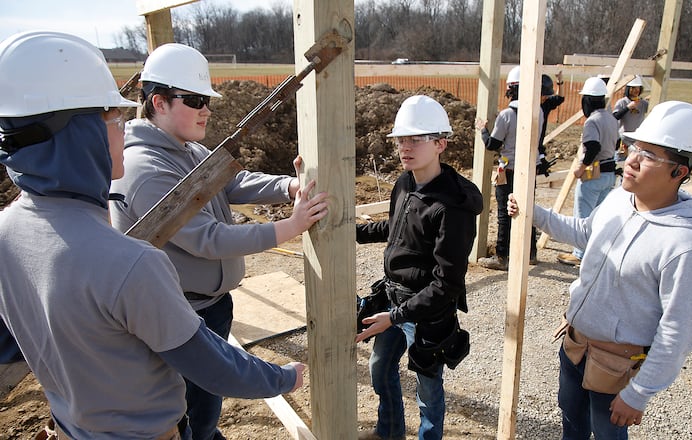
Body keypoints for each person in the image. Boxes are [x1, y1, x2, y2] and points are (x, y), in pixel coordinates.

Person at [0, 30, 311, 439]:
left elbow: (16, 344)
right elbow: (212, 362)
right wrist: (282, 379)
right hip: (149, 409)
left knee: (201, 412)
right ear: (82, 135)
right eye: (111, 118)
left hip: (76, 426)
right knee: (197, 411)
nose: (122, 126)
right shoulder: (131, 255)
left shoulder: (8, 230)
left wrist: (286, 186)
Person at [109, 43, 328, 440]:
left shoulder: (187, 149)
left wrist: (288, 185)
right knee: (188, 410)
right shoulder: (145, 169)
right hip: (178, 317)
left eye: (206, 100)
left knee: (203, 406)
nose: (206, 109)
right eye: (194, 100)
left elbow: (232, 182)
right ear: (158, 102)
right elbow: (208, 240)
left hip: (209, 306)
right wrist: (290, 228)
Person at [507, 101, 692, 439]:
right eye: (633, 147)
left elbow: (678, 331)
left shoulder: (686, 246)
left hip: (615, 367)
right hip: (576, 347)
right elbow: (585, 233)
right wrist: (534, 214)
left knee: (606, 434)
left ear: (680, 171)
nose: (630, 160)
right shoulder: (619, 200)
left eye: (648, 156)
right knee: (571, 424)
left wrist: (638, 393)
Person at [355, 95, 483, 440]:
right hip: (393, 298)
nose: (404, 147)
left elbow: (446, 285)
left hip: (427, 311)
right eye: (400, 139)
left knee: (428, 390)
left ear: (440, 143)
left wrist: (395, 318)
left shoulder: (452, 208)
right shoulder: (405, 182)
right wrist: (350, 232)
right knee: (380, 370)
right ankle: (390, 433)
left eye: (415, 139)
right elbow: (394, 227)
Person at [475, 66, 544, 270]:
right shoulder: (537, 111)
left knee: (505, 213)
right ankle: (530, 254)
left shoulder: (507, 115)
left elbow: (492, 145)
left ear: (512, 89)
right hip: (529, 169)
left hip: (509, 170)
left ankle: (502, 257)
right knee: (527, 211)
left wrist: (483, 130)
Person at [556, 77, 619, 266]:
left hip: (594, 173)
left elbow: (592, 147)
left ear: (588, 100)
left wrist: (581, 168)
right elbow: (616, 144)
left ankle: (580, 254)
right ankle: (595, 251)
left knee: (583, 216)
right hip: (609, 172)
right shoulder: (611, 118)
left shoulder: (592, 121)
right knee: (599, 216)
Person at [612, 76, 649, 155]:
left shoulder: (643, 103)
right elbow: (615, 117)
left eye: (638, 88)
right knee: (620, 160)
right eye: (633, 88)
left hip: (637, 138)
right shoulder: (622, 102)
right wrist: (628, 108)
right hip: (624, 139)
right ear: (628, 89)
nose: (636, 90)